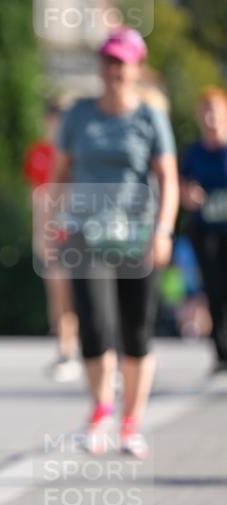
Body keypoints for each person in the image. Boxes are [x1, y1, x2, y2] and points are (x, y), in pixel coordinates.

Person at [52, 27, 179, 459]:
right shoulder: (79, 114)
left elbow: (168, 180)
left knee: (136, 332)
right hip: (87, 235)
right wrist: (53, 225)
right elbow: (60, 174)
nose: (113, 70)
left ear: (136, 68)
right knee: (95, 327)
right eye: (108, 61)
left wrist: (163, 231)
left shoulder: (150, 118)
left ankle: (131, 422)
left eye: (122, 63)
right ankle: (101, 410)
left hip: (138, 238)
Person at [24, 100, 80, 382]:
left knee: (84, 292)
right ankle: (65, 350)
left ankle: (98, 349)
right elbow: (35, 196)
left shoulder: (77, 153)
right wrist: (40, 232)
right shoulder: (38, 153)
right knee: (58, 293)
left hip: (76, 231)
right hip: (50, 231)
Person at [180, 87, 227, 374]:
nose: (210, 117)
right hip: (206, 231)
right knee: (214, 289)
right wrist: (189, 193)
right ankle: (221, 352)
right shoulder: (194, 152)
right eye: (205, 111)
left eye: (215, 110)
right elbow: (181, 185)